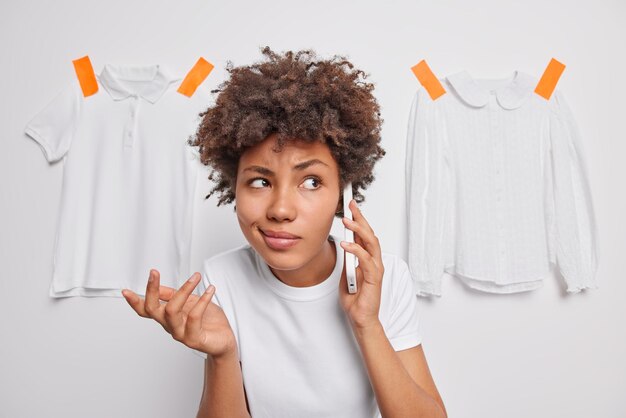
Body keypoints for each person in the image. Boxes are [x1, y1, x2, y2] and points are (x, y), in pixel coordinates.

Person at [121, 47, 447, 418]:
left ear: (343, 194)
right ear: (234, 185)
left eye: (310, 181)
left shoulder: (384, 279)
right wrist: (222, 352)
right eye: (260, 181)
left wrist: (366, 323)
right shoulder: (221, 280)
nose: (279, 210)